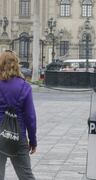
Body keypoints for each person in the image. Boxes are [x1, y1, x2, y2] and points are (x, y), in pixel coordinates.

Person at [0, 50, 37, 180]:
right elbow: (30, 117)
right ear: (16, 64)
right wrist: (32, 140)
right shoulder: (24, 86)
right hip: (18, 135)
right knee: (26, 176)